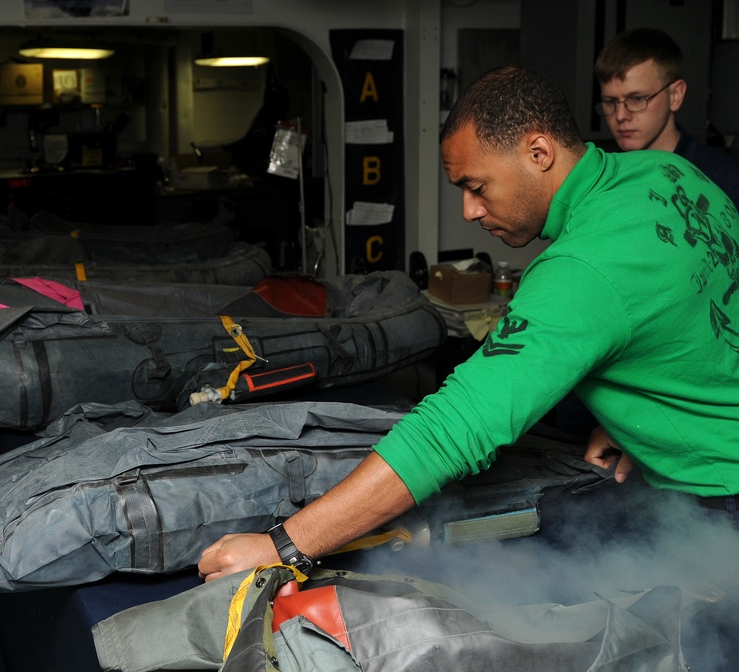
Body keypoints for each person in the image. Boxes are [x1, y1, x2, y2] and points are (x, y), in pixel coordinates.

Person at [197, 65, 739, 582]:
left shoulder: (580, 270)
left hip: (720, 503)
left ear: (538, 152)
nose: (468, 211)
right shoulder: (667, 172)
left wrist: (281, 546)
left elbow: (453, 429)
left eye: (477, 186)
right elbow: (690, 311)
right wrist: (637, 416)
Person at [594, 27, 739, 209]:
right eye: (610, 101)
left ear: (675, 96)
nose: (621, 116)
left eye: (638, 99)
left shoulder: (725, 180)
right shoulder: (601, 180)